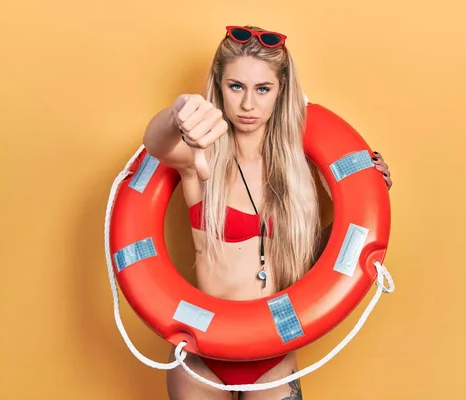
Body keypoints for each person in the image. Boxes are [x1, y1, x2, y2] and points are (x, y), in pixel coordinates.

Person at [143, 25, 393, 400]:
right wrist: (177, 114)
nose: (248, 105)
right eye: (236, 87)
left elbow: (319, 257)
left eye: (263, 89)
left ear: (281, 92)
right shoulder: (200, 158)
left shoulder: (297, 172)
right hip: (203, 353)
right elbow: (156, 144)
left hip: (271, 355)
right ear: (218, 85)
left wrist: (371, 197)